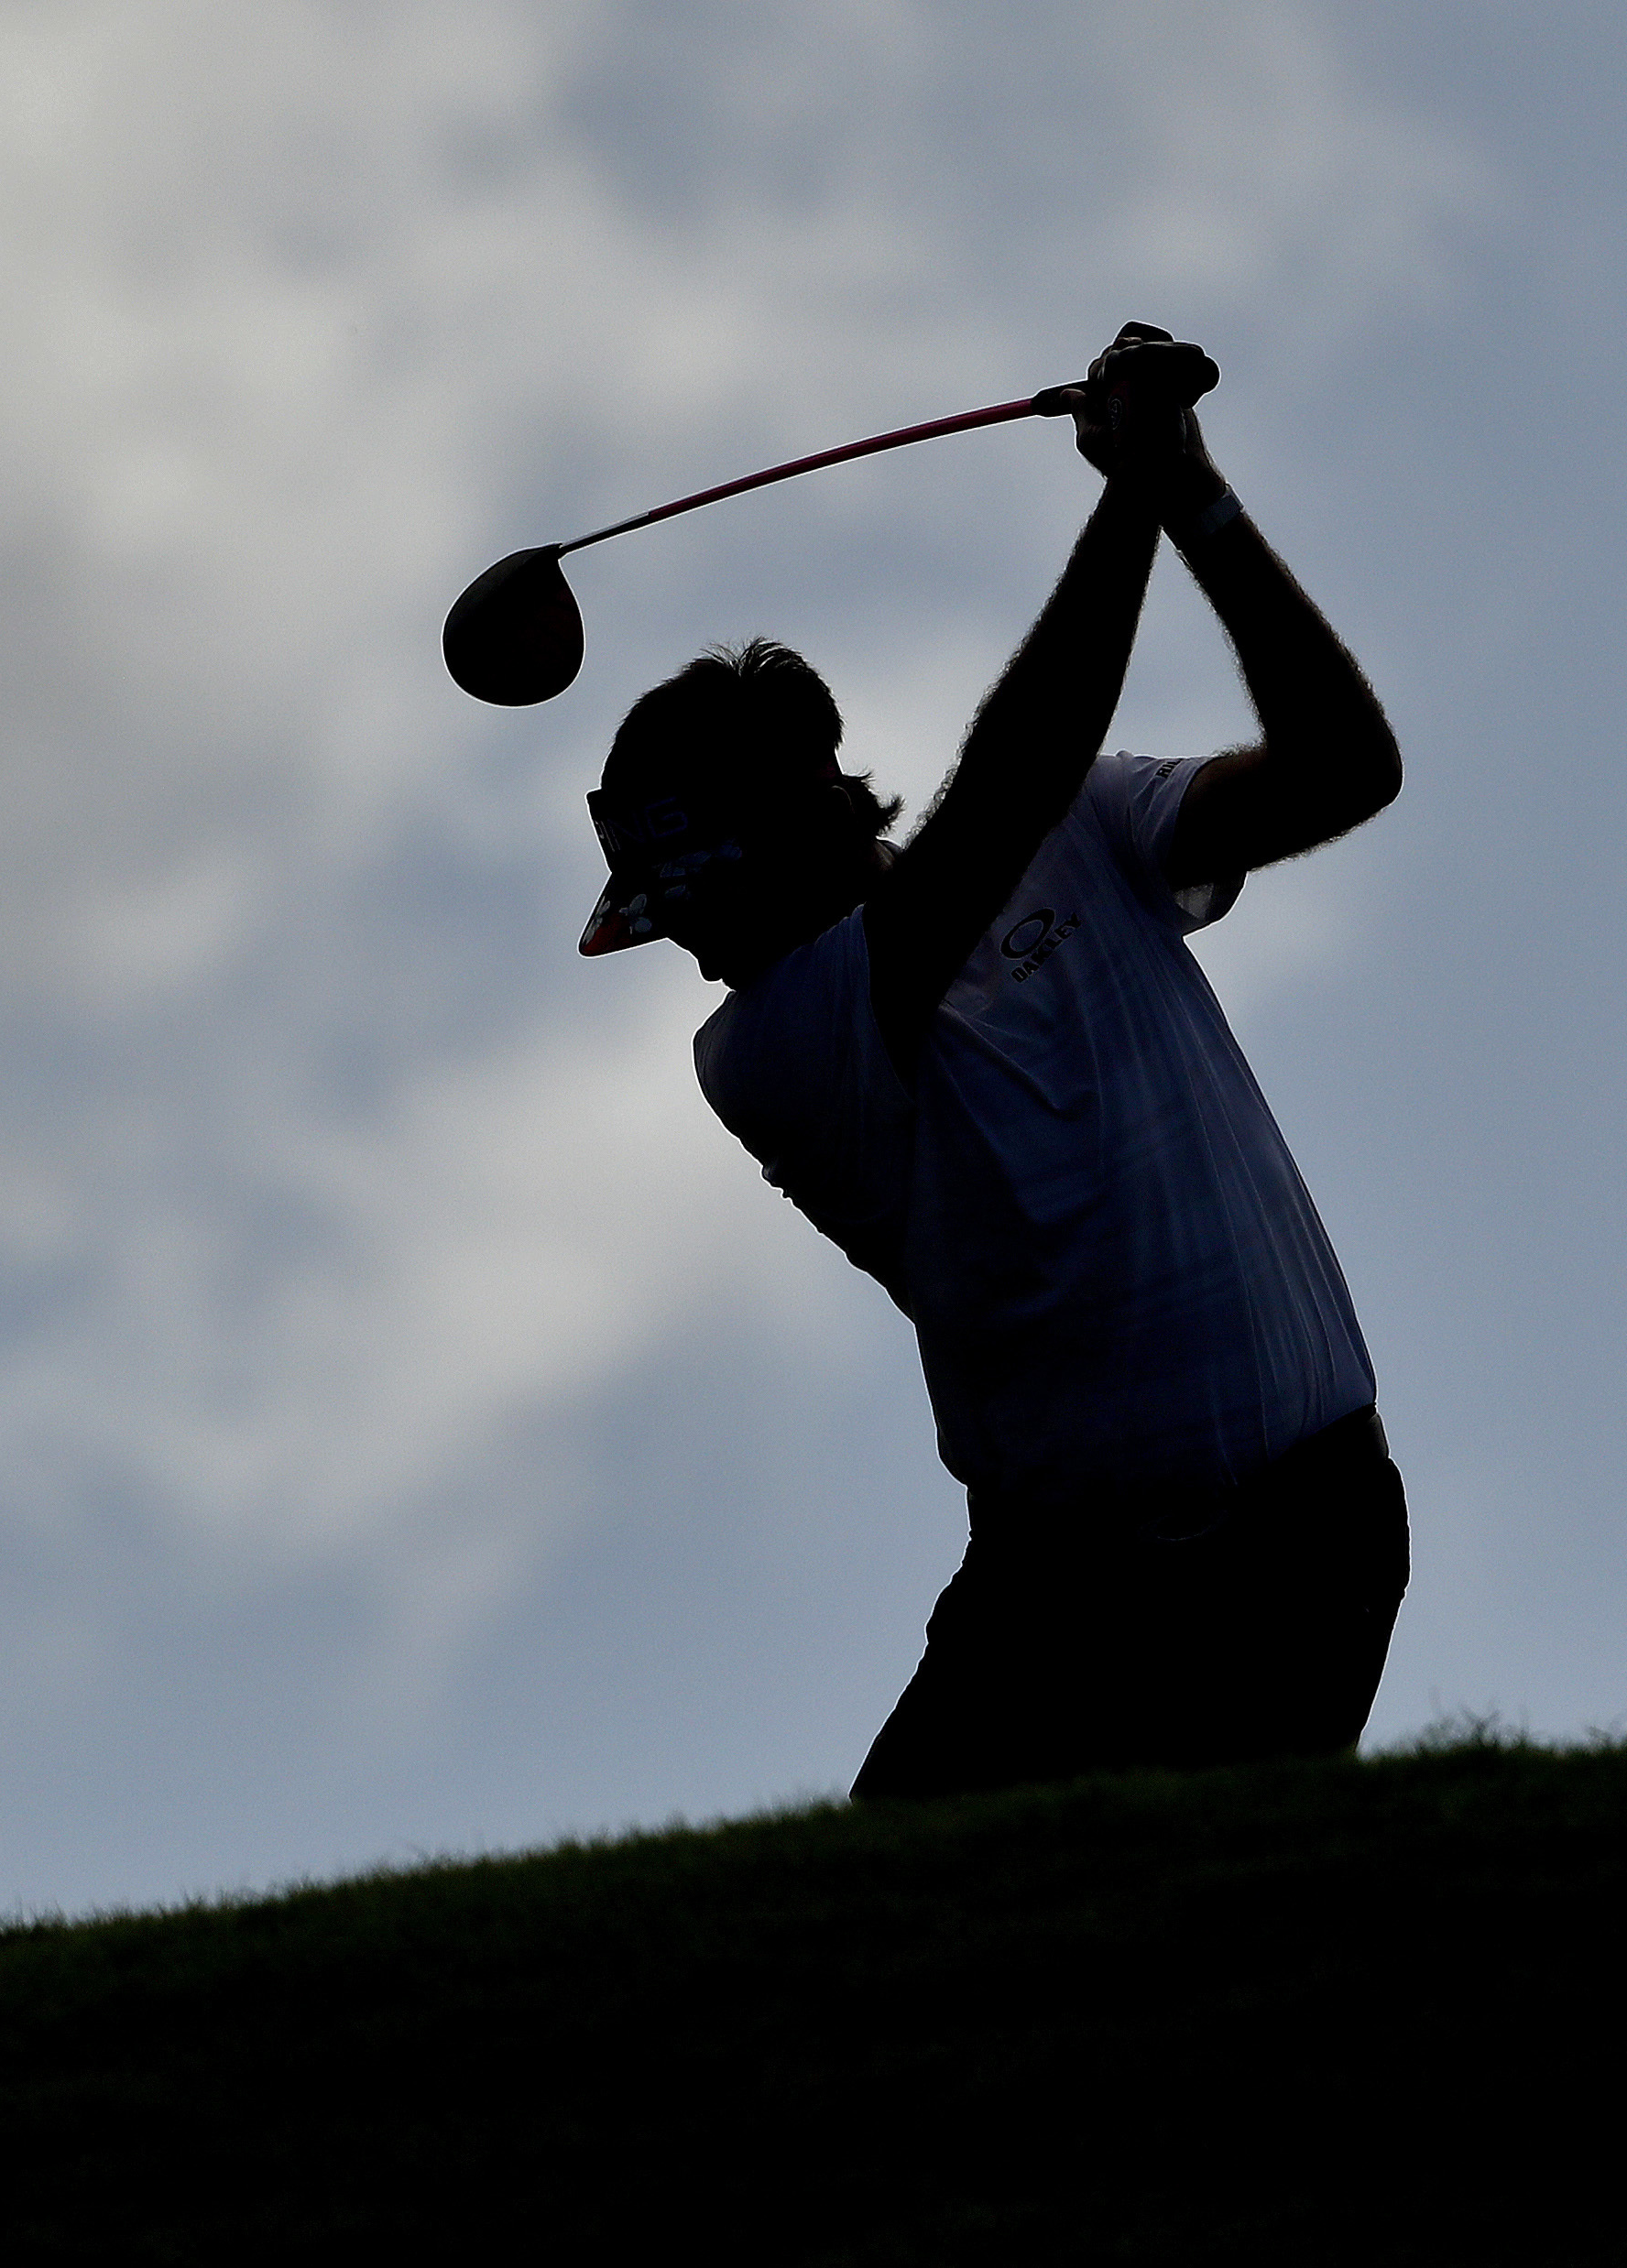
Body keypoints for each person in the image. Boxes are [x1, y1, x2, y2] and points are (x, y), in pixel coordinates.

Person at [575, 323, 1408, 1800]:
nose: (694, 957)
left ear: (801, 826)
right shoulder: (765, 1049)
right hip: (1054, 1589)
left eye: (695, 908)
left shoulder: (1088, 824)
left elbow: (1347, 766)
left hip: (1302, 1541)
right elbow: (1008, 778)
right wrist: (1131, 489)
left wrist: (1194, 504)